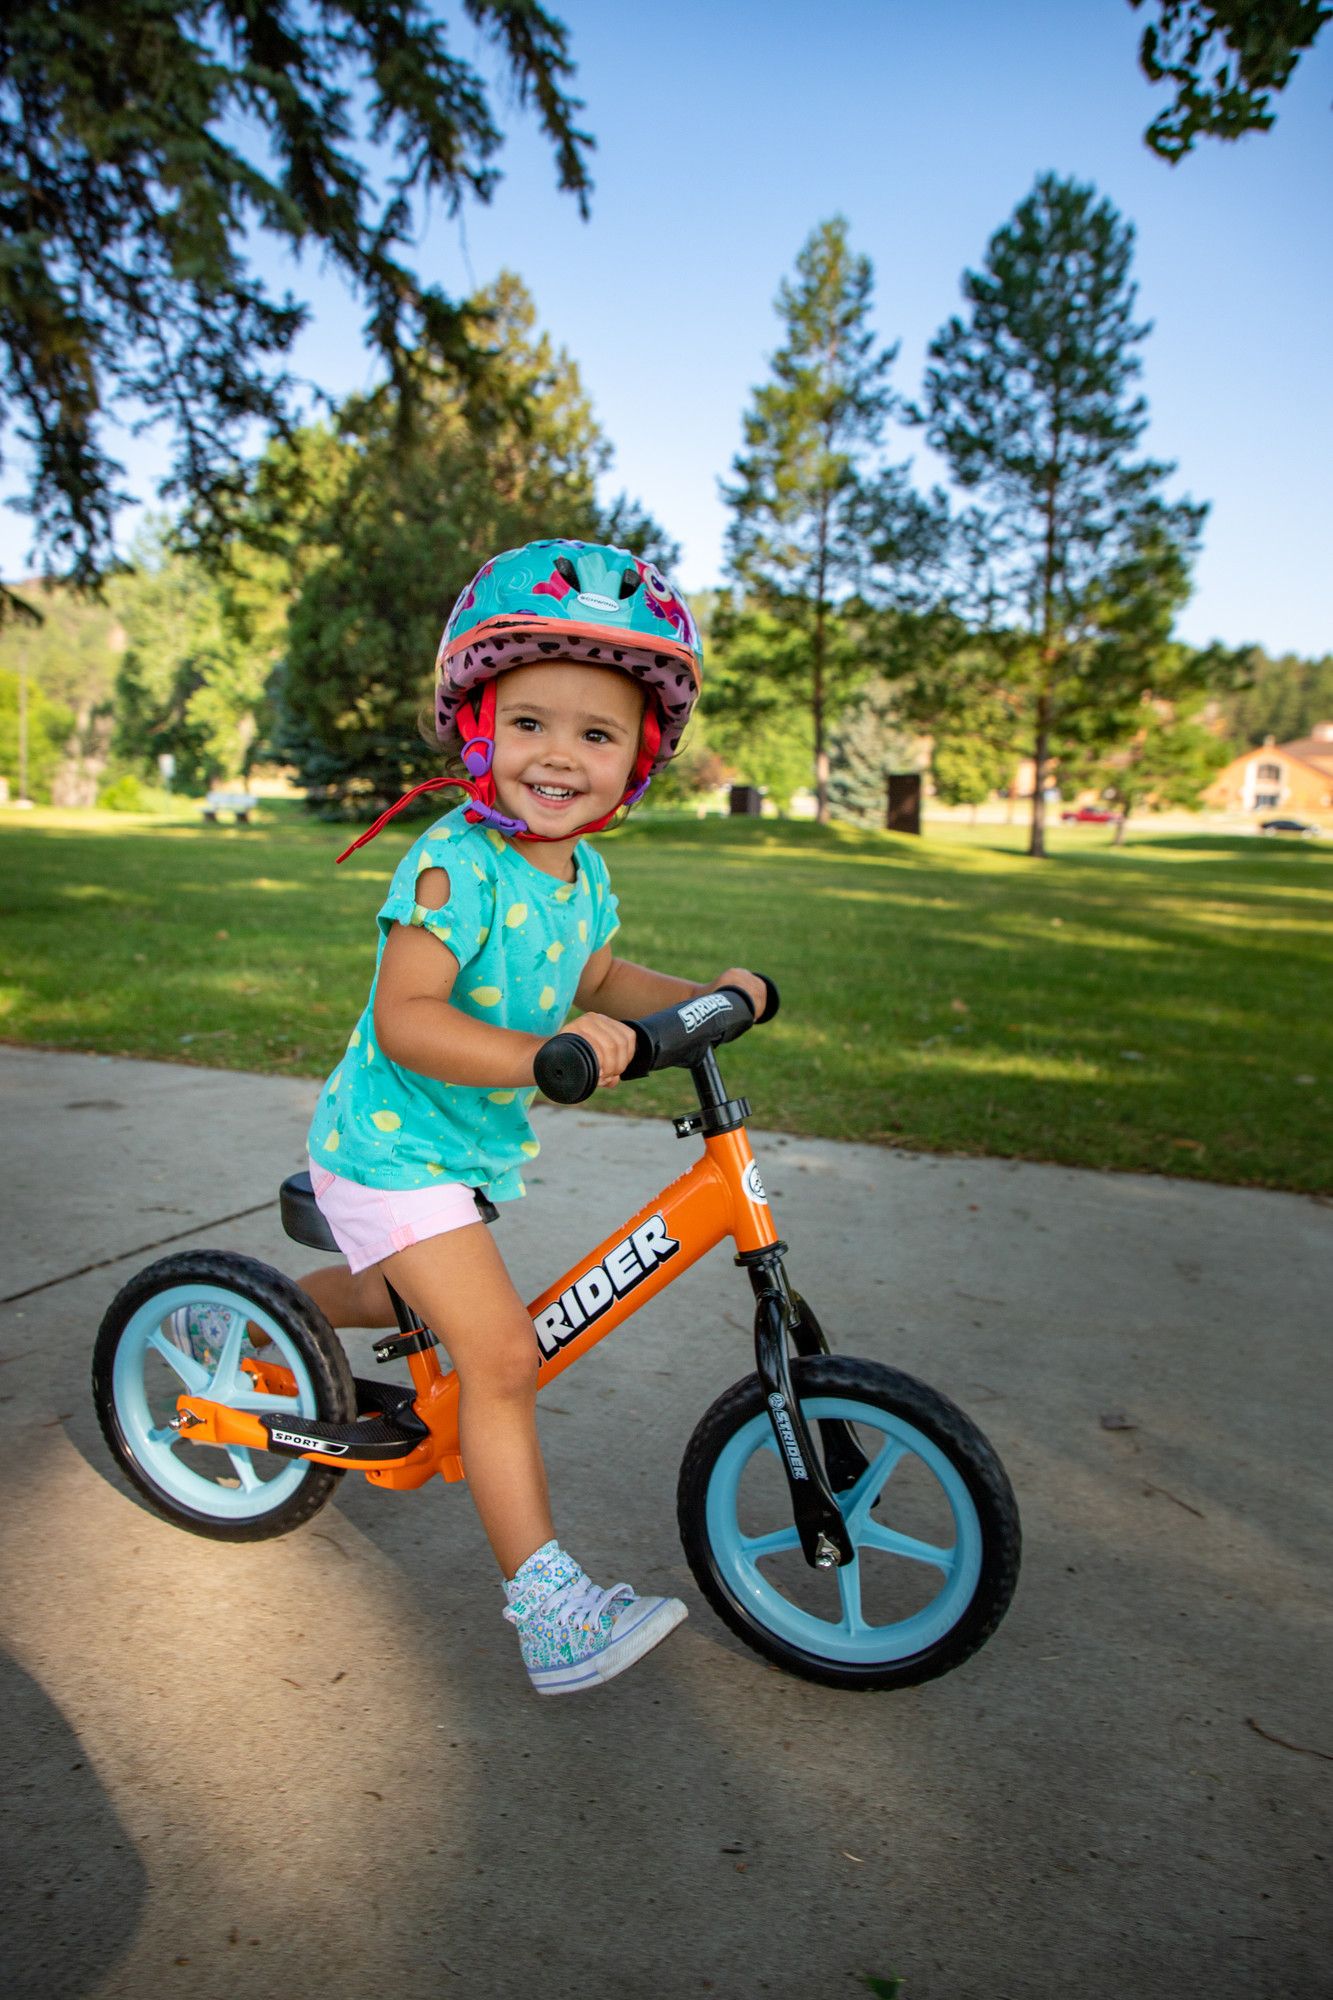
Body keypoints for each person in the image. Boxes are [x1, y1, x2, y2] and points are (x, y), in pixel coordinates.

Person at [294, 538, 764, 1694]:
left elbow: (602, 977)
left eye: (596, 734)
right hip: (389, 1143)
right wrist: (537, 1053)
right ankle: (549, 1610)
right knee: (499, 1351)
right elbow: (406, 1017)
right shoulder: (454, 862)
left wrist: (711, 998)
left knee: (396, 1294)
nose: (560, 756)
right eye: (533, 725)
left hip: (460, 1150)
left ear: (634, 760)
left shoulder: (581, 875)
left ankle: (264, 1329)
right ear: (482, 731)